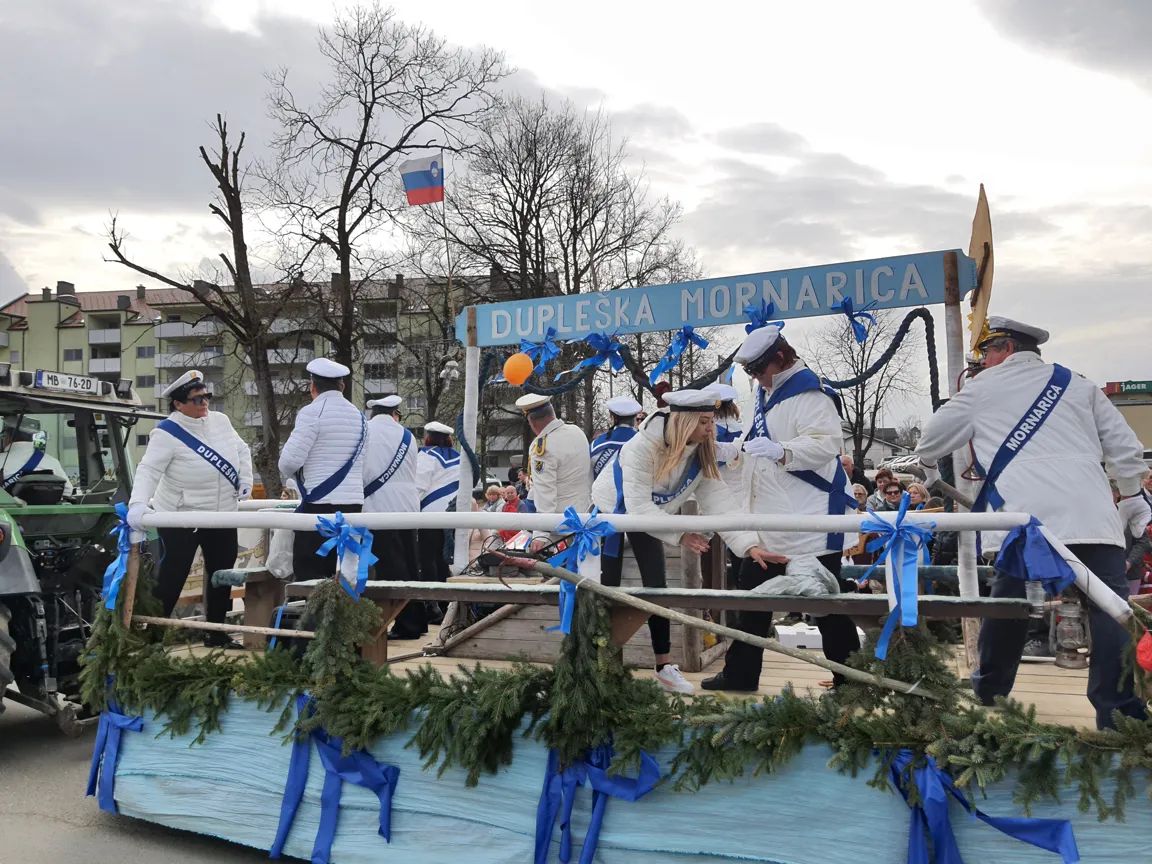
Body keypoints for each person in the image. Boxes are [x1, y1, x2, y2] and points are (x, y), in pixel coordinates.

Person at [916, 316, 1150, 729]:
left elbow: (930, 442)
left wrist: (935, 465)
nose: (982, 361)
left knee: (1010, 606)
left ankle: (990, 689)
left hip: (1027, 523)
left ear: (1004, 348)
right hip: (1091, 515)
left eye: (986, 352)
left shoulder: (982, 389)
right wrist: (1130, 495)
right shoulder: (1080, 385)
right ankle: (1119, 713)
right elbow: (1126, 450)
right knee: (1110, 610)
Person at [592, 387, 782, 695]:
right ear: (685, 421)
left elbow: (719, 501)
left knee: (657, 589)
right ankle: (601, 662)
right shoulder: (643, 446)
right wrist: (680, 534)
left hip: (650, 515)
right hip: (615, 510)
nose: (712, 429)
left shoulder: (699, 450)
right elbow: (637, 506)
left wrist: (749, 545)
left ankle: (663, 666)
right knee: (605, 589)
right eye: (705, 422)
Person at [703, 326, 861, 692]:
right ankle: (740, 674)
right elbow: (757, 441)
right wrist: (732, 452)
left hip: (811, 523)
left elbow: (825, 445)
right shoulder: (769, 395)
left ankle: (851, 680)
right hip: (773, 523)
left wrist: (785, 452)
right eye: (750, 373)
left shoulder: (811, 396)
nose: (755, 378)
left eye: (757, 370)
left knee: (826, 607)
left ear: (779, 358)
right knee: (752, 602)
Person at [127, 370, 253, 647]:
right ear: (179, 404)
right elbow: (148, 470)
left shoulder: (221, 421)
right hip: (181, 516)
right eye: (197, 400)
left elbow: (242, 450)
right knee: (173, 576)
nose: (204, 403)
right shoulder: (166, 433)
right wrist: (137, 503)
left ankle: (216, 633)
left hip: (221, 514)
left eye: (207, 397)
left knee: (221, 576)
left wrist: (245, 479)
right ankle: (153, 636)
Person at [278, 358, 366, 581]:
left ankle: (313, 614)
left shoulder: (312, 413)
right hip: (354, 504)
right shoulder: (360, 417)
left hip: (319, 505)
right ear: (342, 386)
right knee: (349, 573)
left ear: (312, 386)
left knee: (310, 573)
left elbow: (287, 463)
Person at [362, 395, 426, 639]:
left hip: (378, 508)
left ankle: (403, 624)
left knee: (389, 570)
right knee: (411, 566)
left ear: (373, 413)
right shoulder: (408, 436)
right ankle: (416, 622)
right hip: (408, 509)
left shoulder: (366, 432)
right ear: (394, 414)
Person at [514, 394, 592, 554]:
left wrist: (540, 534)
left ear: (531, 421)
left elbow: (545, 492)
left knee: (555, 575)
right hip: (585, 517)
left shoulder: (542, 447)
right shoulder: (576, 431)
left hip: (559, 526)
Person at [415, 420, 460, 589]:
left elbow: (418, 486)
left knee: (427, 559)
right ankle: (445, 599)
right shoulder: (459, 456)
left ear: (428, 438)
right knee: (444, 560)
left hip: (430, 516)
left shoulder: (426, 455)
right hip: (453, 516)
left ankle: (431, 600)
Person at [0, 420, 73, 496]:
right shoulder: (52, 461)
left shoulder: (1, 460)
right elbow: (68, 490)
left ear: (8, 437)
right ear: (32, 437)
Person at [589, 395, 642, 481]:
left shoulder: (597, 445)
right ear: (635, 417)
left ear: (612, 417)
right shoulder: (643, 441)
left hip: (602, 492)